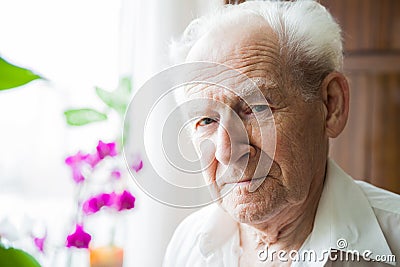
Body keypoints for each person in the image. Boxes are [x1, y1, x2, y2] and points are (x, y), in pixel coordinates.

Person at [163, 1, 400, 266]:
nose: (226, 152)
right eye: (206, 120)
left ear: (331, 105)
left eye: (256, 108)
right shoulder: (188, 243)